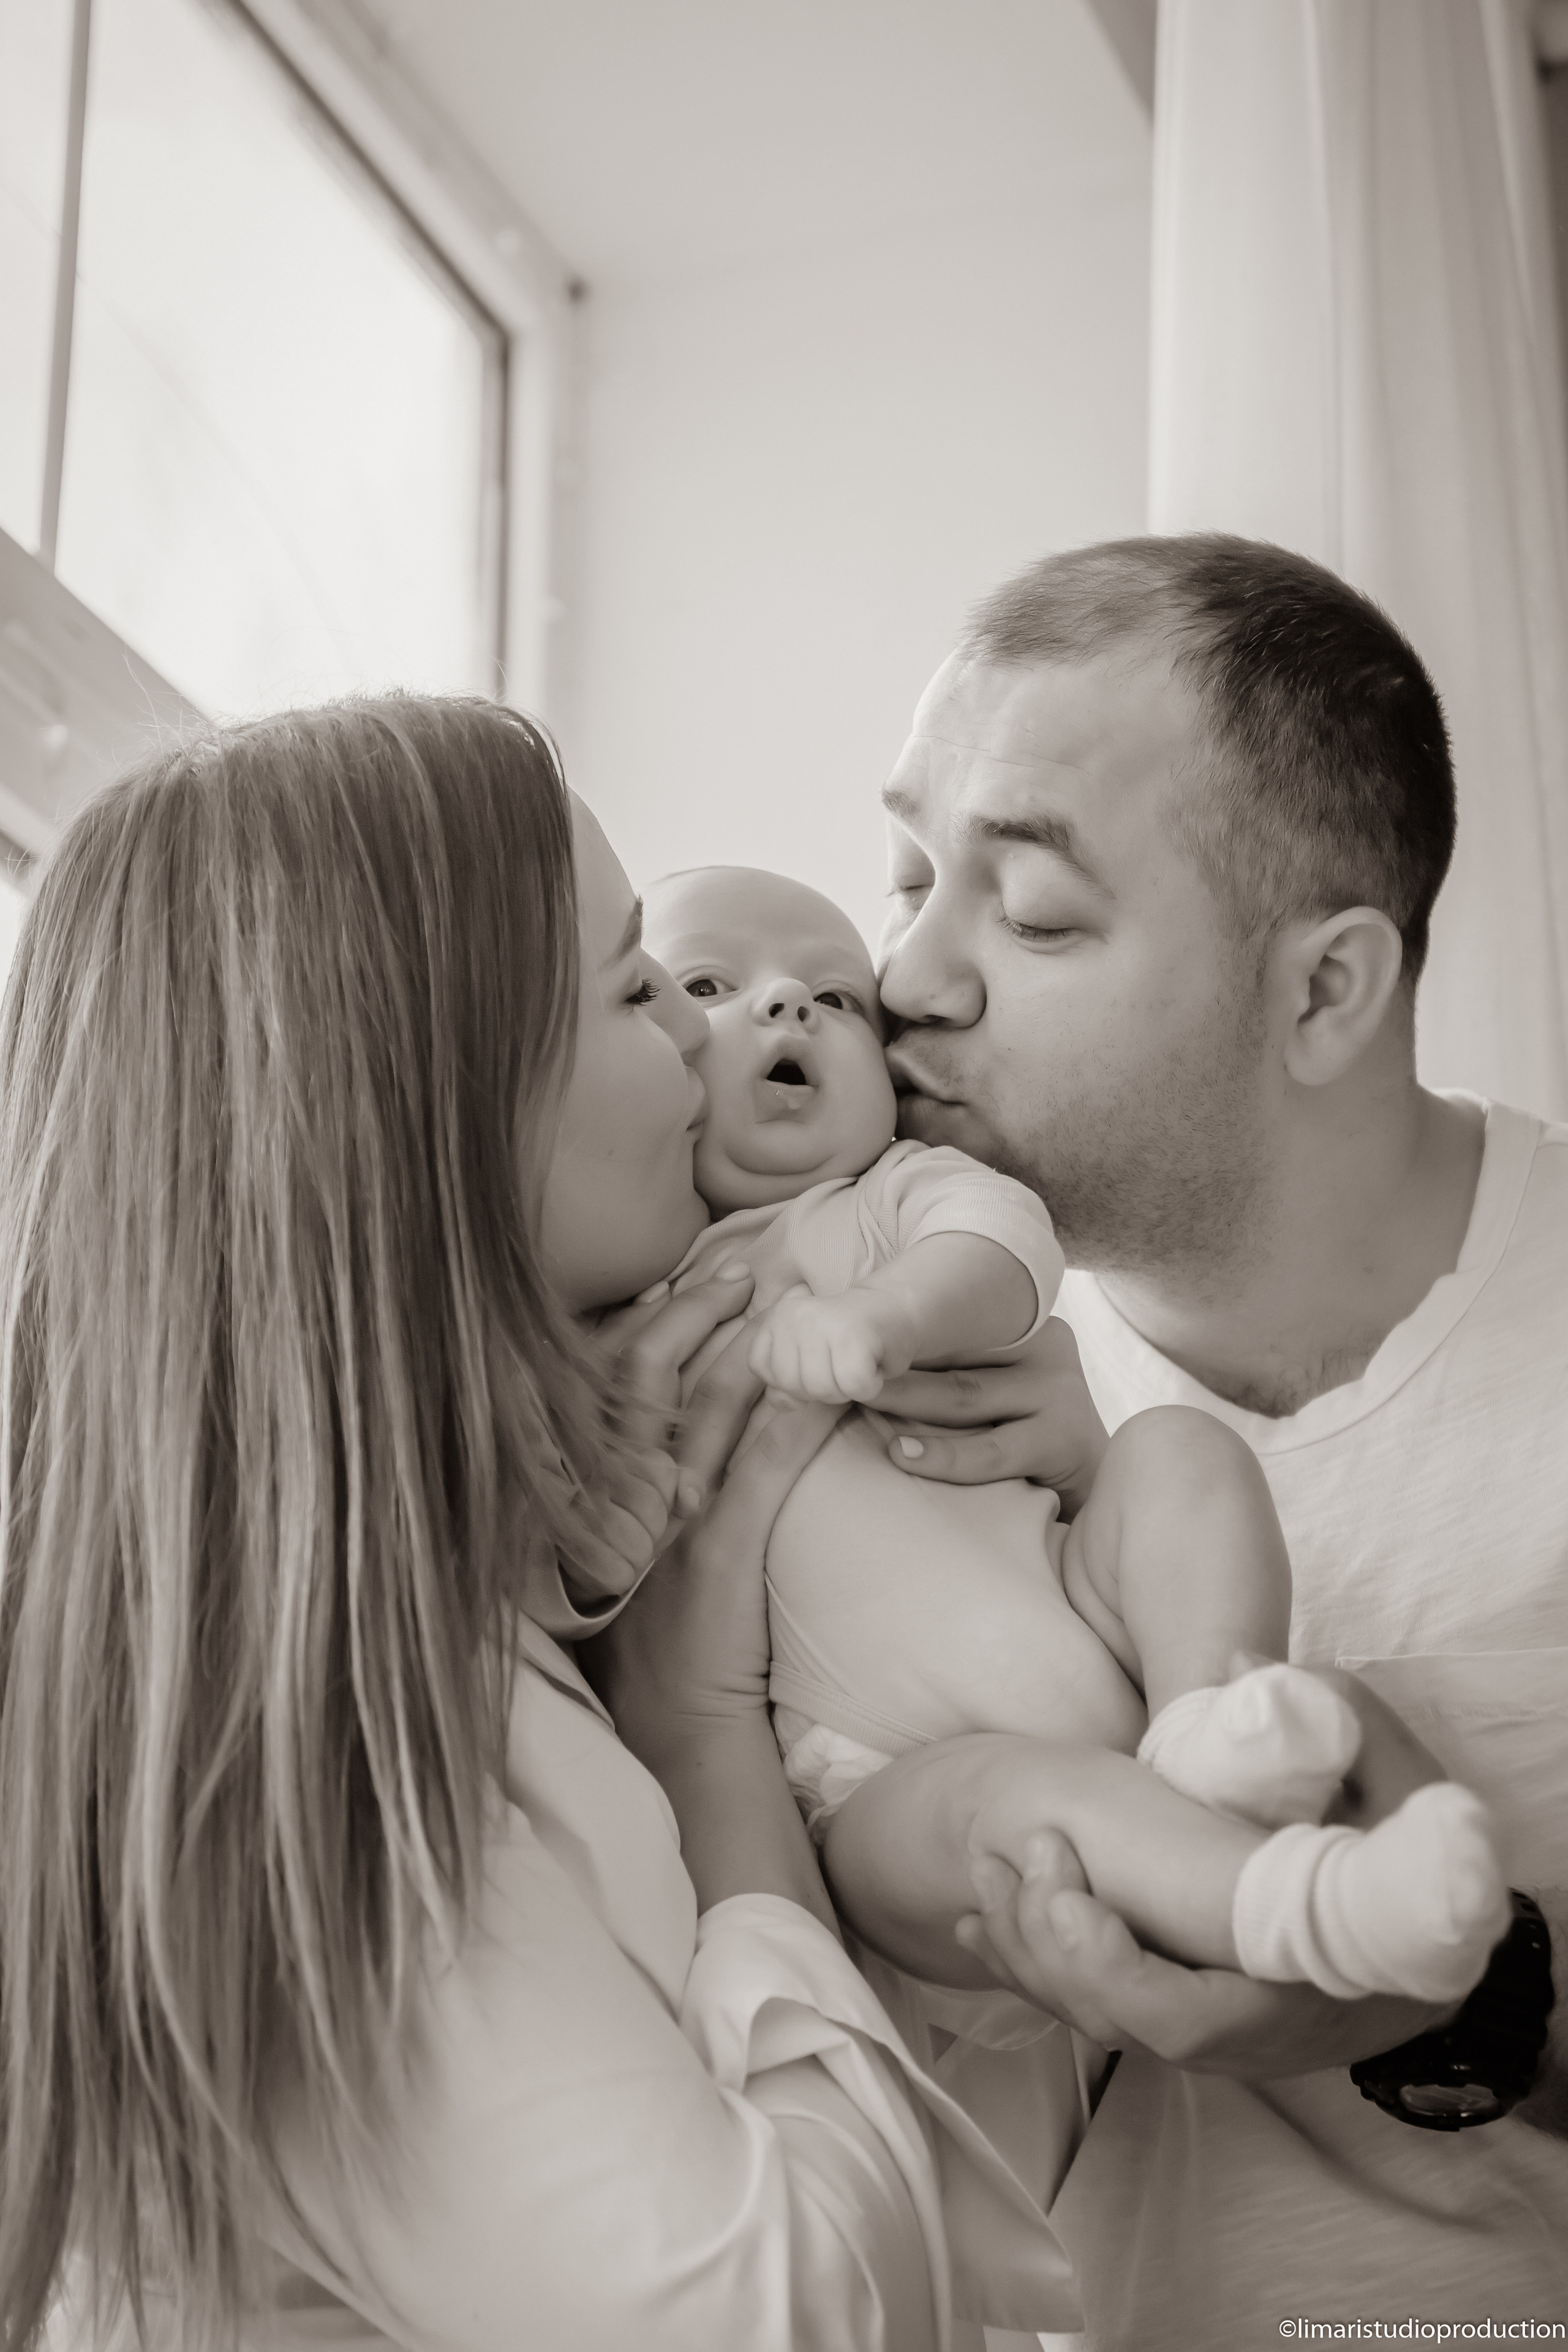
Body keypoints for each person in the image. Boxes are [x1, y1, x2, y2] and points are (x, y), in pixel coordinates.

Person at [0, 695, 1076, 2351]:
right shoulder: (332, 1744)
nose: (714, 1045)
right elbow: (799, 2319)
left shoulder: (407, 1631)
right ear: (439, 1104)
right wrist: (704, 1726)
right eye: (645, 984)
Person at [859, 533, 1568, 2341]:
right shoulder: (925, 1376)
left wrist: (1476, 2009)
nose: (906, 977)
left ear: (1325, 992)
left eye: (1026, 912)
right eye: (907, 875)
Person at [641, 862, 1510, 2015]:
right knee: (1012, 1811)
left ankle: (1210, 1722)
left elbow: (1003, 1252)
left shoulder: (891, 1195)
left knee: (1178, 1455)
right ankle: (1305, 1904)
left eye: (839, 998)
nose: (788, 1005)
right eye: (706, 982)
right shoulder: (628, 1286)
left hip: (1079, 1601)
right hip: (872, 1765)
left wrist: (885, 1316)